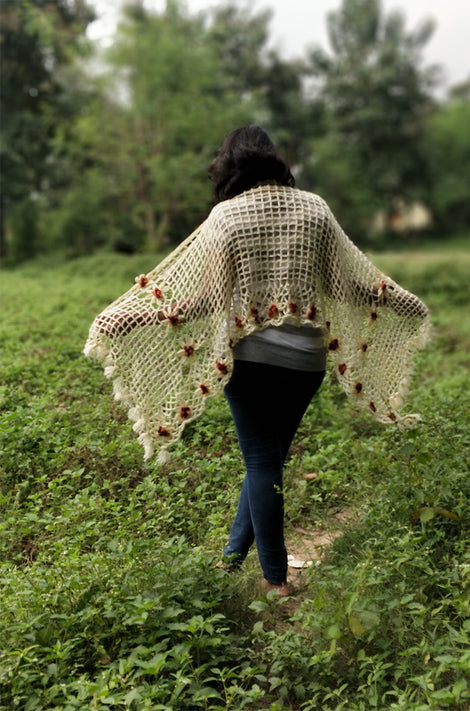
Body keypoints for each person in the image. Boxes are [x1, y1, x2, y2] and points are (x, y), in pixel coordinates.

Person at [85, 125, 430, 596]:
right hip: (305, 362)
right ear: (273, 159)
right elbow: (348, 286)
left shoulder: (225, 218)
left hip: (248, 361)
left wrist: (133, 317)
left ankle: (274, 581)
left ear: (227, 164)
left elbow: (205, 301)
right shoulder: (315, 209)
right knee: (266, 462)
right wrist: (401, 302)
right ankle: (230, 561)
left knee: (263, 463)